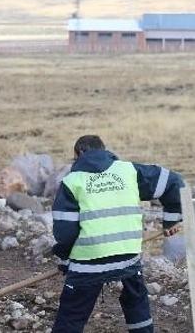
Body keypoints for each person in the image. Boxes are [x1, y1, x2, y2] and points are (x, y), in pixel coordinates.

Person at [51, 135, 183, 333]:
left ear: (78, 154)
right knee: (137, 303)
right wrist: (170, 221)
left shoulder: (71, 181)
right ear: (105, 150)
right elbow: (174, 183)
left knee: (72, 315)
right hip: (128, 258)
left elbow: (65, 232)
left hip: (89, 263)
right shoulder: (128, 170)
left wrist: (64, 259)